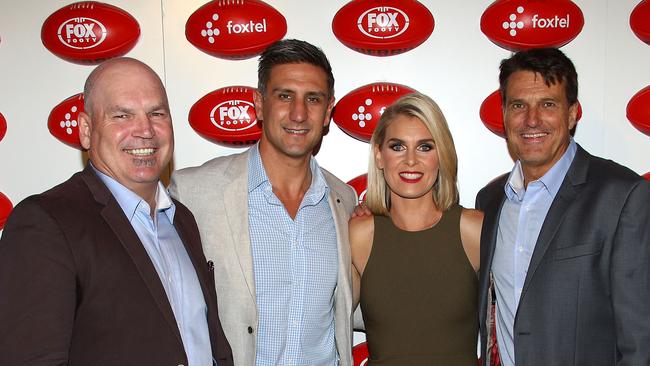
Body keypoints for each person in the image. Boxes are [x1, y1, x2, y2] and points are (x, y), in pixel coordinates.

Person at [0, 58, 233, 366]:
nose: (145, 130)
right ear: (86, 130)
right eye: (122, 115)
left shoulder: (182, 220)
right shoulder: (46, 224)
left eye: (156, 113)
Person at [169, 39, 357, 366]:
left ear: (328, 111)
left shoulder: (344, 201)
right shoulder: (193, 193)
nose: (298, 113)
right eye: (284, 96)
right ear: (259, 103)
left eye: (313, 99)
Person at [476, 47, 650, 365]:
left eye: (547, 104)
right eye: (518, 105)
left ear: (571, 114)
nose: (532, 120)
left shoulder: (622, 196)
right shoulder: (489, 201)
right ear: (504, 113)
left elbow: (641, 342)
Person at [349, 92, 483, 365]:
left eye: (425, 147)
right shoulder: (360, 235)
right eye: (397, 146)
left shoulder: (474, 230)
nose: (411, 160)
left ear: (442, 155)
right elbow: (324, 320)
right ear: (378, 155)